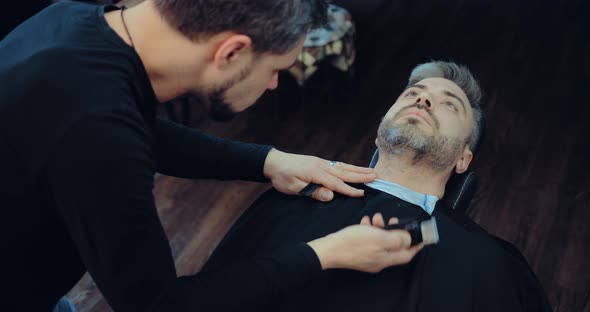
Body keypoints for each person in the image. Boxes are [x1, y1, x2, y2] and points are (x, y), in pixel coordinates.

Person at [0, 0, 425, 311]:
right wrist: (326, 253)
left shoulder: (72, 22)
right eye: (275, 68)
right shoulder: (94, 132)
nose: (274, 84)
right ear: (232, 52)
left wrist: (266, 160)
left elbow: (135, 131)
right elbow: (159, 306)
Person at [202, 61, 553, 311]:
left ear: (464, 159)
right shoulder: (290, 201)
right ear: (380, 131)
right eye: (413, 93)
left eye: (449, 104)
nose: (423, 100)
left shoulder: (495, 265)